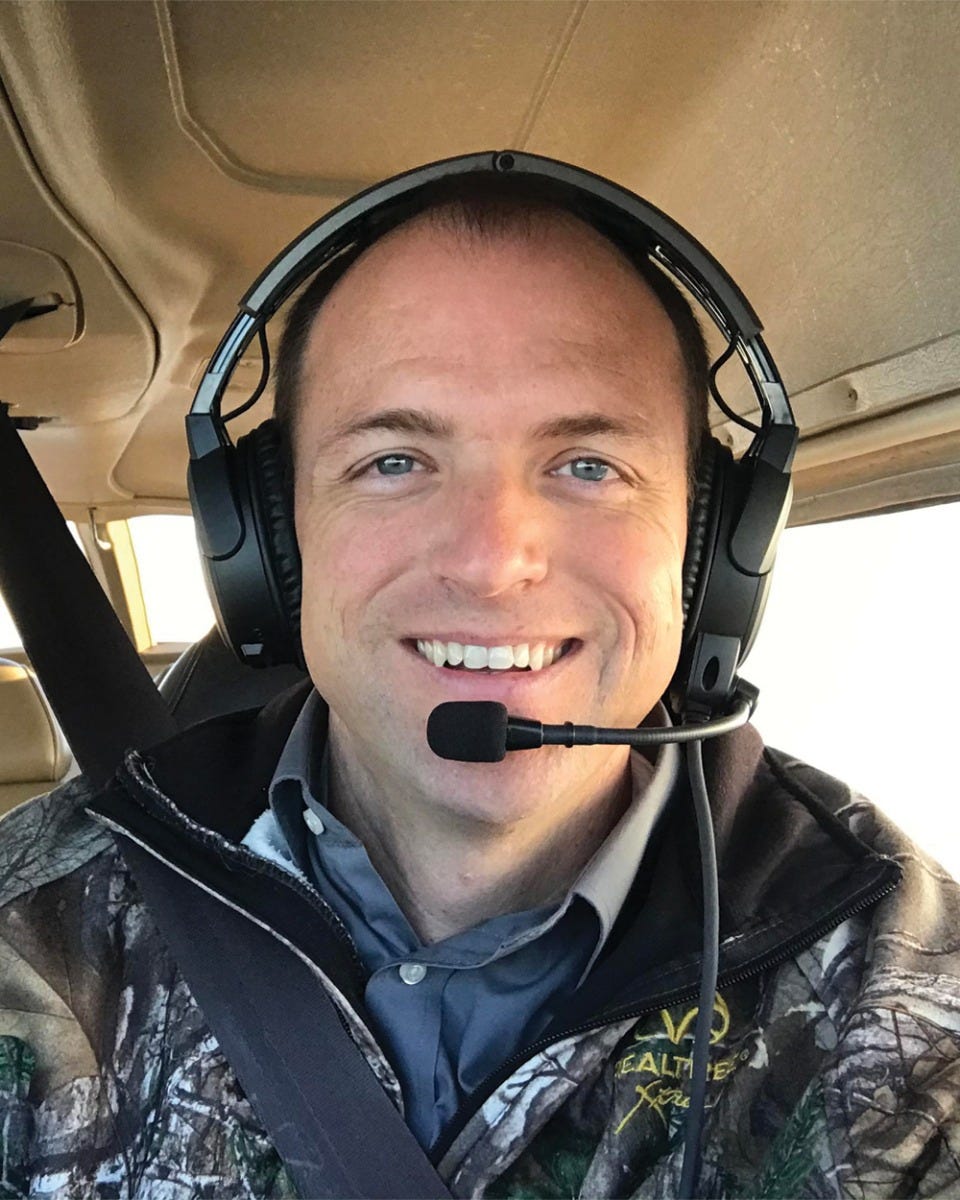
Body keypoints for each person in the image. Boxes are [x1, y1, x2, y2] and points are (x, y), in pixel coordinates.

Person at [1, 165, 958, 1200]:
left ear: (712, 549)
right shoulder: (27, 926)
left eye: (588, 465)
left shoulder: (904, 1000)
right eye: (396, 462)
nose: (494, 560)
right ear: (272, 547)